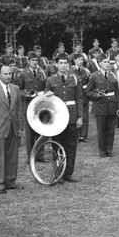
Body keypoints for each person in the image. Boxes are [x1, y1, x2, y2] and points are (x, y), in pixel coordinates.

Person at [0, 64, 25, 194]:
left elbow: (19, 110)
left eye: (10, 74)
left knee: (13, 156)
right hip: (0, 128)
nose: (8, 76)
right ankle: (0, 183)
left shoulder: (15, 89)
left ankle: (10, 181)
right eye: (5, 74)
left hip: (13, 127)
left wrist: (20, 127)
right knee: (0, 156)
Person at [45, 53, 83, 183]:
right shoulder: (50, 79)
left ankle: (69, 173)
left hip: (72, 116)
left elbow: (79, 98)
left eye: (65, 63)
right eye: (60, 63)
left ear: (68, 64)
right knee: (57, 145)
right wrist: (46, 94)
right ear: (55, 64)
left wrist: (80, 116)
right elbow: (46, 101)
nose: (63, 65)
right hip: (57, 117)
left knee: (71, 145)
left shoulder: (75, 78)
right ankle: (58, 173)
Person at [85, 53, 119, 157]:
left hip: (112, 105)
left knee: (111, 130)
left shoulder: (112, 75)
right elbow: (88, 91)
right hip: (100, 106)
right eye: (104, 62)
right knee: (101, 130)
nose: (107, 64)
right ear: (100, 63)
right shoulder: (94, 76)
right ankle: (102, 151)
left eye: (108, 62)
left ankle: (109, 150)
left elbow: (117, 92)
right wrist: (97, 95)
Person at [18, 51, 47, 163]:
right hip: (28, 105)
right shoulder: (23, 74)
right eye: (32, 60)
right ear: (28, 61)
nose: (35, 62)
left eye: (36, 60)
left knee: (40, 130)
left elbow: (46, 87)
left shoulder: (42, 73)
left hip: (40, 105)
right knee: (29, 133)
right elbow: (19, 88)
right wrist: (25, 94)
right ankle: (31, 156)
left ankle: (40, 155)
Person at [73, 53, 92, 142]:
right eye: (78, 60)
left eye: (82, 60)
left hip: (84, 96)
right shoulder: (70, 71)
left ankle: (83, 136)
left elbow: (90, 85)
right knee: (75, 116)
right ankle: (75, 136)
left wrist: (90, 97)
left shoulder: (86, 71)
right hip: (74, 97)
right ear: (74, 60)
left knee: (84, 116)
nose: (80, 61)